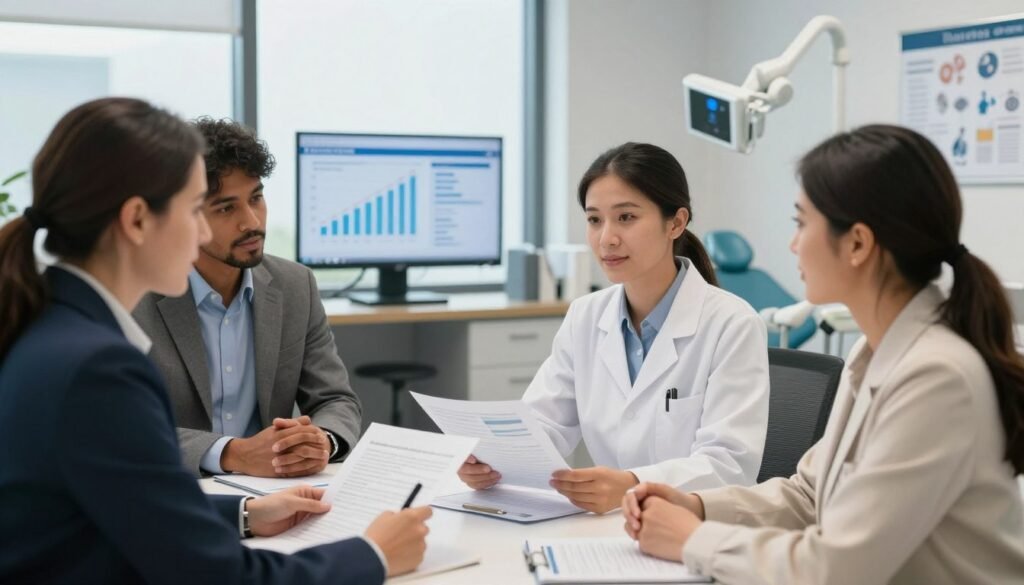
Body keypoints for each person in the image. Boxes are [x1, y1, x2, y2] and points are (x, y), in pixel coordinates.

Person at [0, 97, 430, 583]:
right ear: (137, 220)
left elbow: (126, 508)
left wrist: (245, 513)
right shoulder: (97, 366)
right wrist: (372, 555)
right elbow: (214, 575)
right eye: (196, 209)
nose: (205, 229)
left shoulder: (51, 325)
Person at [623, 125, 1024, 584]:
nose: (793, 244)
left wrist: (693, 540)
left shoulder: (937, 377)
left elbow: (838, 567)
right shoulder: (873, 351)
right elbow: (809, 495)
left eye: (800, 223)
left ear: (857, 243)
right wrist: (696, 505)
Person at [459, 142, 770, 513]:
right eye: (594, 219)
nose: (606, 238)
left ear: (676, 222)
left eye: (626, 218)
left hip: (691, 529)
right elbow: (543, 425)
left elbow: (729, 465)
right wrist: (492, 461)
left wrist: (633, 484)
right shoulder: (585, 316)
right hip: (608, 527)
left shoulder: (732, 324)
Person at [133, 117, 362, 478]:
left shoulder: (295, 284)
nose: (251, 222)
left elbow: (335, 399)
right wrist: (231, 454)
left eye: (256, 198)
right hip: (178, 490)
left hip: (275, 488)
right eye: (226, 208)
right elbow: (124, 429)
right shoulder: (134, 297)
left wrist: (323, 441)